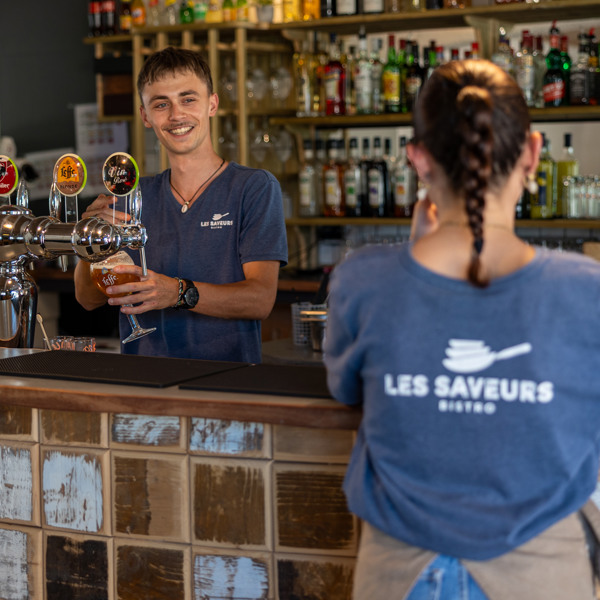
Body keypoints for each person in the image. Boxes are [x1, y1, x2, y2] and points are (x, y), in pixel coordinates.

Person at [324, 58, 600, 600]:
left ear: (418, 159)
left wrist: (415, 249)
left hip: (397, 573)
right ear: (532, 153)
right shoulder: (585, 290)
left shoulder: (363, 279)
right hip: (539, 575)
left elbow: (346, 389)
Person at [74, 47, 288, 362]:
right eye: (161, 104)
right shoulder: (131, 197)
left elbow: (260, 299)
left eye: (188, 99)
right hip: (143, 379)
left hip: (228, 381)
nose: (176, 115)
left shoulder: (254, 188)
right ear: (145, 116)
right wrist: (90, 244)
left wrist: (177, 293)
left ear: (212, 104)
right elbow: (87, 298)